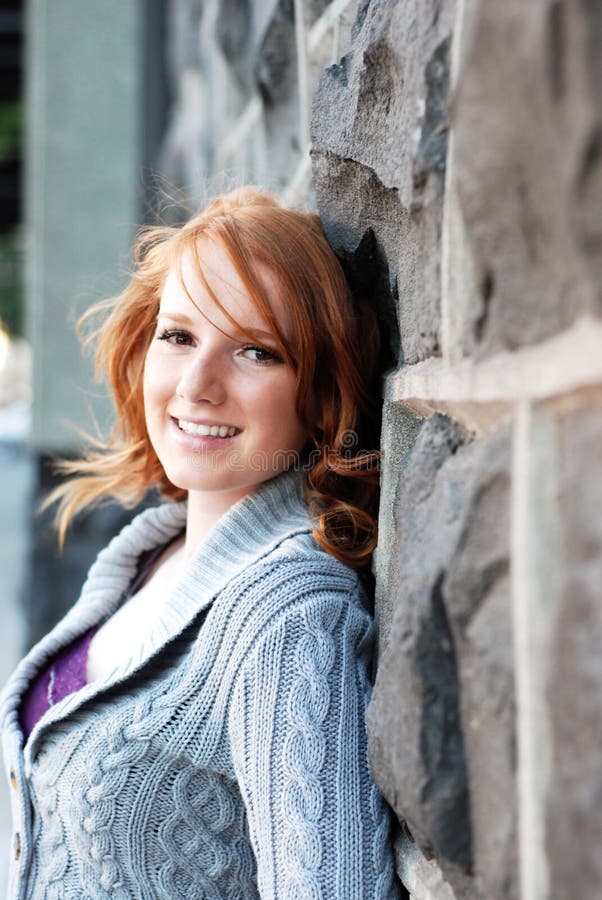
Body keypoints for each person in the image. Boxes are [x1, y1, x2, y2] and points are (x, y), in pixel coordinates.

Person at [0, 186, 401, 898]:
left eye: (255, 351)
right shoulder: (144, 557)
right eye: (179, 336)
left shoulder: (288, 610)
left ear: (320, 397)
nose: (198, 383)